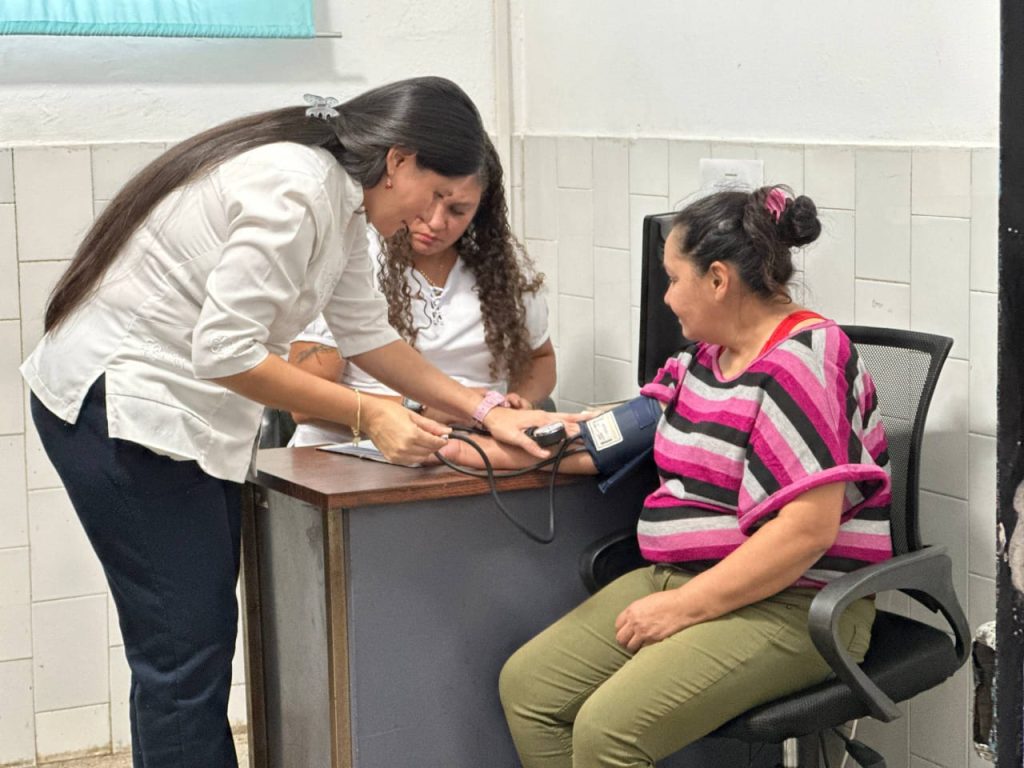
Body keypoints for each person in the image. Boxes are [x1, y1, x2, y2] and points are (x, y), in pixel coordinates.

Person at [20, 77, 567, 768]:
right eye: (437, 195)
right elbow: (224, 349)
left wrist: (486, 409)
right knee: (184, 654)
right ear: (398, 161)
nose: (435, 219)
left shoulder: (338, 203)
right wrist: (372, 415)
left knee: (194, 642)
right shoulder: (297, 188)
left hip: (173, 414)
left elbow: (368, 335)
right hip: (124, 410)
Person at [438, 186, 893, 768]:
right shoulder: (706, 358)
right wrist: (471, 436)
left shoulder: (803, 361)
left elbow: (806, 532)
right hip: (685, 575)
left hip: (795, 602)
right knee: (531, 691)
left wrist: (683, 608)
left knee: (608, 732)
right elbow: (595, 440)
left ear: (719, 279)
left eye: (674, 279)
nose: (668, 297)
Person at [288, 137, 555, 445]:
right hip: (351, 453)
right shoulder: (355, 256)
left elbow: (540, 357)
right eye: (429, 201)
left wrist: (517, 403)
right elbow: (304, 403)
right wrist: (423, 409)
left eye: (458, 210)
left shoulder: (504, 271)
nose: (436, 222)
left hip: (469, 447)